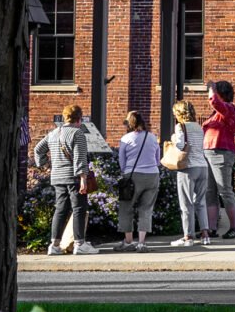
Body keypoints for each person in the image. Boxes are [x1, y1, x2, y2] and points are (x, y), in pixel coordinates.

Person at [32, 101, 108, 255]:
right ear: (79, 119)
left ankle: (54, 245)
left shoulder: (54, 133)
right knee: (79, 208)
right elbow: (80, 158)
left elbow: (37, 149)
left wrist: (44, 164)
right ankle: (80, 244)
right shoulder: (77, 133)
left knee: (60, 210)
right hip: (73, 177)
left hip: (57, 177)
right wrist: (83, 179)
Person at [167, 97, 211, 247]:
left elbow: (179, 145)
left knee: (186, 203)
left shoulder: (181, 127)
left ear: (179, 113)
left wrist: (172, 138)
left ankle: (188, 236)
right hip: (203, 166)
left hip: (188, 168)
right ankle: (205, 234)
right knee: (200, 202)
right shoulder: (199, 127)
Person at [202, 79, 235, 238]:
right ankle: (211, 229)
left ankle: (234, 228)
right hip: (209, 152)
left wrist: (212, 88)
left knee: (225, 191)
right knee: (209, 192)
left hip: (221, 153)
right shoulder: (217, 114)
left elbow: (215, 103)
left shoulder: (229, 109)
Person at [115, 109, 161, 246]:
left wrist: (126, 173)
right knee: (146, 209)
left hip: (132, 175)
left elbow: (121, 161)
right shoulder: (152, 137)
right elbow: (158, 160)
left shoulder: (125, 139)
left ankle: (128, 241)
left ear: (129, 124)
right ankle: (141, 242)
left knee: (126, 208)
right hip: (153, 175)